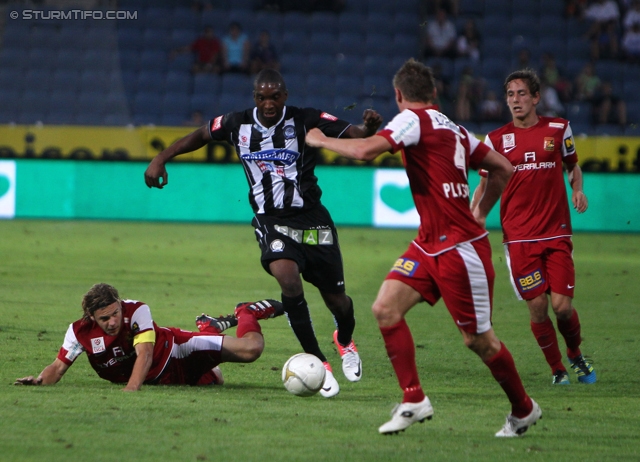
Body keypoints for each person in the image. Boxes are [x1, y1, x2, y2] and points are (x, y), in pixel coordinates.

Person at [305, 58, 541, 437]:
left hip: (460, 250)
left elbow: (366, 151)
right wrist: (480, 210)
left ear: (399, 95)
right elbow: (502, 167)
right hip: (429, 244)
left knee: (478, 340)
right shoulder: (456, 128)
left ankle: (524, 408)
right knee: (385, 308)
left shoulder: (411, 119)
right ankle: (413, 398)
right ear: (433, 93)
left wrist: (319, 140)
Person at [144, 69, 383, 398]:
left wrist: (368, 129)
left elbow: (353, 132)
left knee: (338, 302)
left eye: (275, 97)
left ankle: (343, 340)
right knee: (287, 277)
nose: (268, 103)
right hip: (270, 219)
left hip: (313, 222)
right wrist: (161, 158)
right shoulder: (236, 123)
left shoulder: (306, 119)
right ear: (254, 98)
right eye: (261, 97)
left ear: (285, 96)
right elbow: (199, 136)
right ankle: (317, 360)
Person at [470, 68, 596, 387]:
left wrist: (577, 189)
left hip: (556, 231)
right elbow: (483, 186)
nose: (515, 100)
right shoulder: (496, 140)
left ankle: (575, 352)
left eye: (522, 93)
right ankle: (557, 369)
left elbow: (573, 166)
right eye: (510, 94)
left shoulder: (558, 128)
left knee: (562, 306)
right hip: (519, 238)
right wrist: (473, 217)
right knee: (539, 308)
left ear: (536, 97)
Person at [14, 283, 283, 390]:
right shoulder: (78, 331)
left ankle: (246, 312)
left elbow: (144, 355)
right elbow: (58, 368)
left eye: (115, 313)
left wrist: (131, 391)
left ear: (120, 305)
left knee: (251, 350)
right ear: (91, 317)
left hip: (178, 351)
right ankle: (210, 327)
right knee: (217, 379)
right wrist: (39, 382)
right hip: (165, 380)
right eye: (104, 318)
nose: (113, 322)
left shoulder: (137, 310)